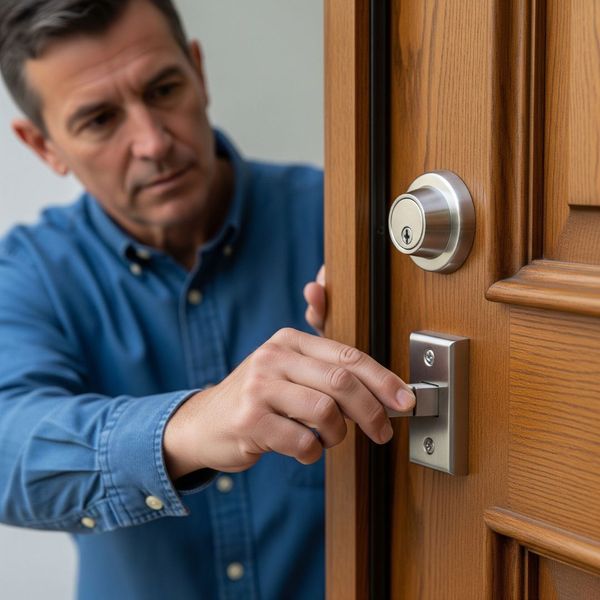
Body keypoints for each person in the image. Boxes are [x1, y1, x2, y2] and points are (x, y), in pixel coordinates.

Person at [0, 1, 415, 598]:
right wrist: (188, 427)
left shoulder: (345, 224)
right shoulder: (30, 272)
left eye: (164, 88)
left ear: (198, 71)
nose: (152, 142)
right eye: (99, 120)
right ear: (43, 146)